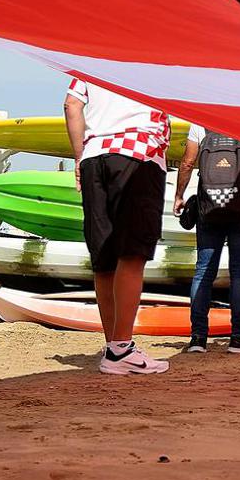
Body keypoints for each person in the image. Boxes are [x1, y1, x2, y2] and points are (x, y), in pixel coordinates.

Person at [63, 77, 170, 375]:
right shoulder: (151, 57)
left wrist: (78, 157)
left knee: (105, 259)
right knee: (132, 253)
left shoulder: (89, 60)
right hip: (138, 152)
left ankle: (114, 345)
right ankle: (121, 348)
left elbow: (72, 104)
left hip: (94, 155)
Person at [174, 124, 240, 354]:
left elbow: (187, 162)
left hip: (209, 204)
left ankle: (198, 338)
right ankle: (239, 337)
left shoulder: (199, 124)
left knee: (204, 270)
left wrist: (179, 196)